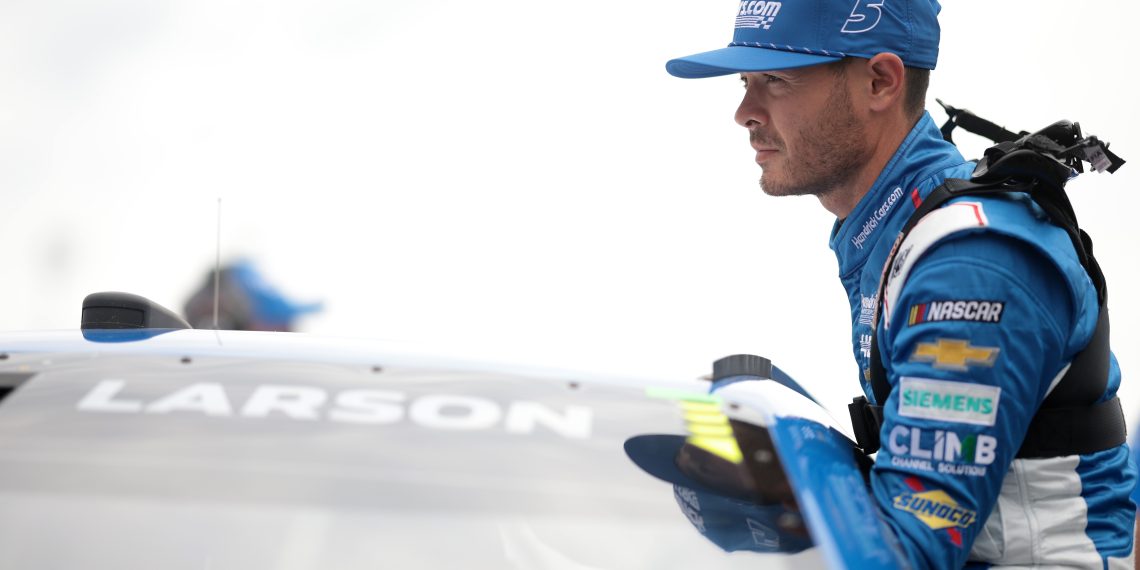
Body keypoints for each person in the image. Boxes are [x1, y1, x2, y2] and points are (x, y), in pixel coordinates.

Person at [665, 1, 1135, 568]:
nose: (744, 111)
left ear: (881, 81)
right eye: (745, 80)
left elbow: (910, 549)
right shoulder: (899, 228)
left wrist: (808, 489)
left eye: (775, 79)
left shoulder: (970, 264)